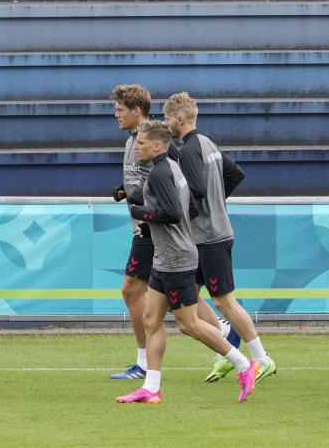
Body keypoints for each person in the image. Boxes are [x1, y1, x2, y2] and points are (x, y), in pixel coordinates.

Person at [116, 121, 259, 404]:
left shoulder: (159, 173)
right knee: (151, 320)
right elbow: (190, 208)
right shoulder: (173, 168)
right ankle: (151, 388)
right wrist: (142, 205)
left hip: (177, 259)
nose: (137, 150)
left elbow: (171, 213)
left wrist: (142, 213)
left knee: (189, 325)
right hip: (165, 257)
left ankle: (244, 366)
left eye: (142, 144)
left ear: (157, 145)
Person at [162, 93, 276, 384]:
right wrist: (217, 202)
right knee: (188, 297)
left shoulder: (188, 149)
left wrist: (185, 208)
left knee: (225, 302)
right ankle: (227, 351)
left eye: (166, 118)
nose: (165, 124)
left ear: (180, 118)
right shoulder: (207, 143)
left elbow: (196, 190)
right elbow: (235, 173)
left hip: (209, 237)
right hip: (205, 236)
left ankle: (262, 359)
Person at [109, 84, 155, 380]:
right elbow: (146, 178)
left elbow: (169, 177)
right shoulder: (133, 139)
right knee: (179, 297)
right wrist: (127, 190)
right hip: (145, 226)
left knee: (131, 289)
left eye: (120, 109)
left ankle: (144, 364)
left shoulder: (152, 138)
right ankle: (226, 333)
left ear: (136, 111)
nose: (115, 114)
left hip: (150, 228)